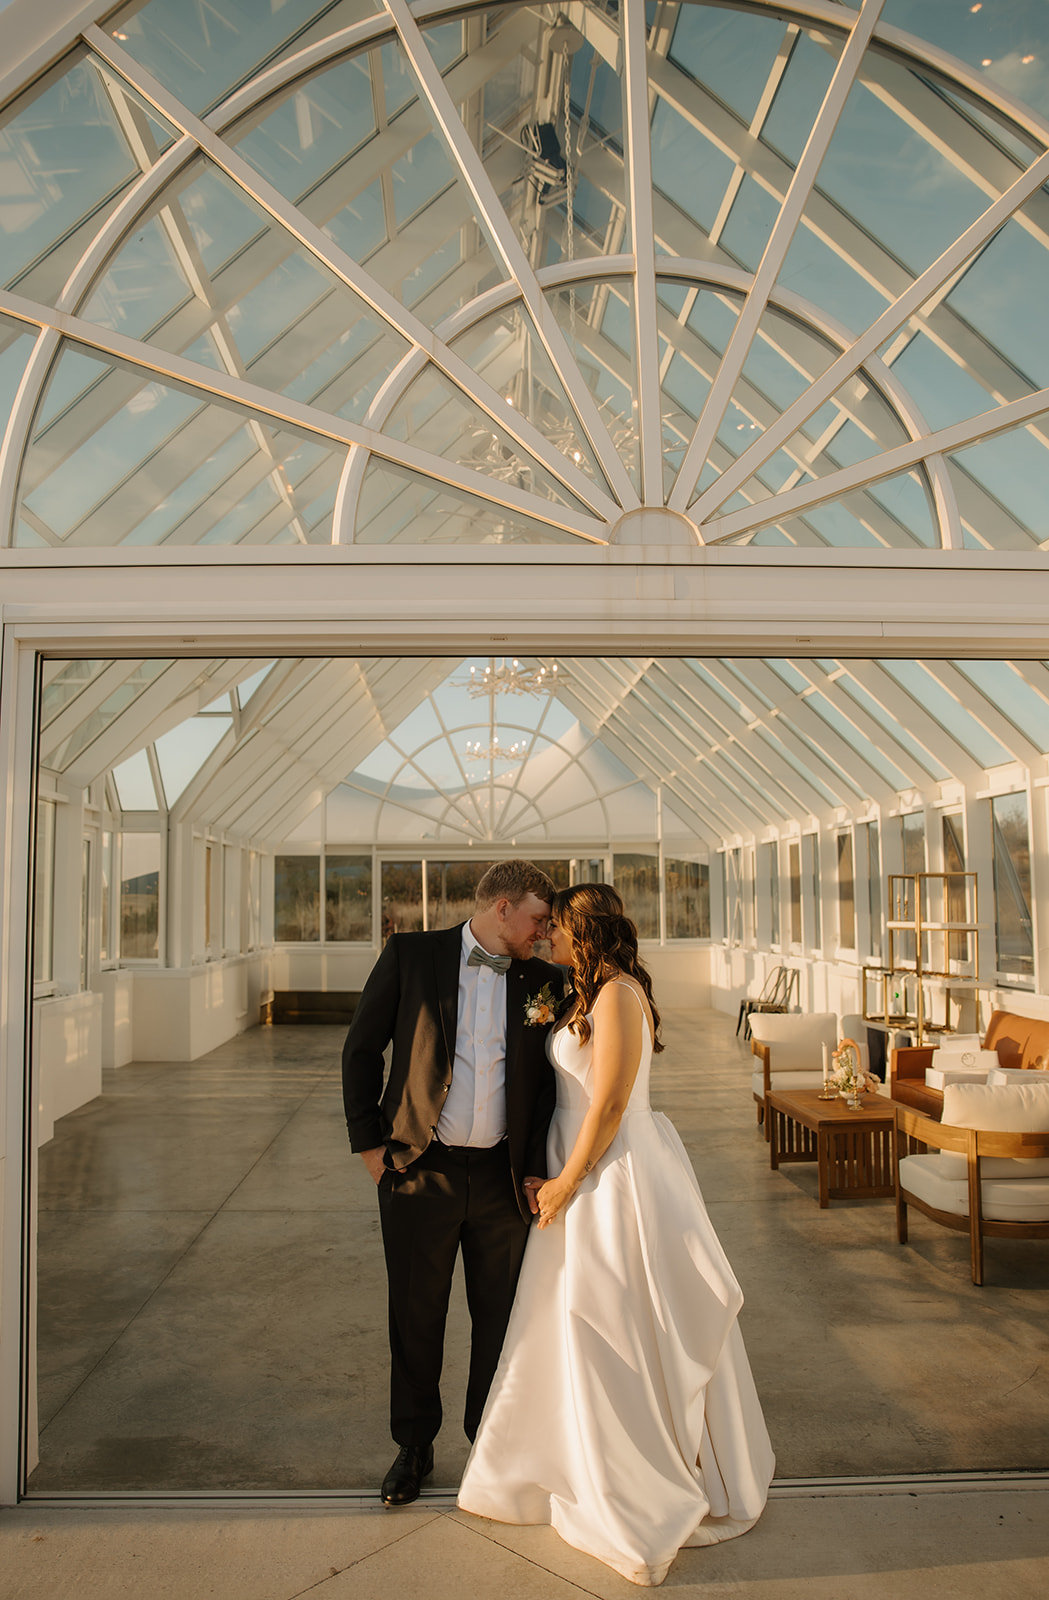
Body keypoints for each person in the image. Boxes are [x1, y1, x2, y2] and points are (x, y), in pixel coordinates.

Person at [458, 883, 775, 1587]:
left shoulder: (619, 996)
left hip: (614, 1180)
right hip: (573, 1172)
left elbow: (606, 1105)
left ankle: (639, 1484)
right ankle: (575, 1462)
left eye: (555, 927)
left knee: (618, 1324)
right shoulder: (577, 993)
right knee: (568, 1325)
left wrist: (567, 1183)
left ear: (584, 929)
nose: (544, 937)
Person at [342, 860, 563, 1507]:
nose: (543, 932)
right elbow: (361, 1048)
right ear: (501, 909)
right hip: (418, 1169)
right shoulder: (412, 955)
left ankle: (488, 1444)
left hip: (502, 1180)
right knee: (416, 1315)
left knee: (500, 1318)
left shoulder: (543, 981)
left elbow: (547, 1080)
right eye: (536, 918)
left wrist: (535, 1168)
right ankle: (412, 1448)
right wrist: (370, 1149)